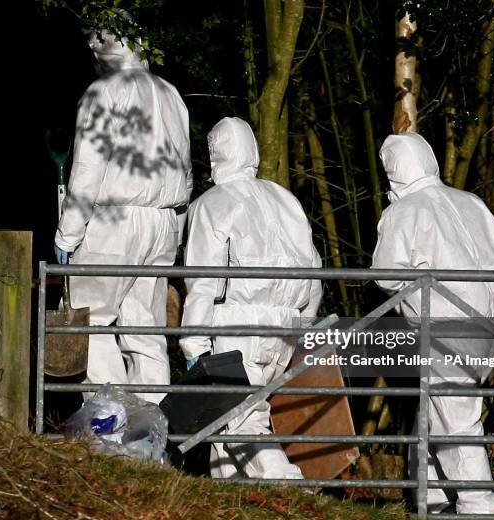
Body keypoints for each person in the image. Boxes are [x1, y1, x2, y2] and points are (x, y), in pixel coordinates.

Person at [372, 132, 494, 514]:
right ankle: (431, 495)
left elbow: (386, 276)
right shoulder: (472, 202)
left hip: (448, 325)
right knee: (437, 406)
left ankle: (478, 502)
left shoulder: (406, 211)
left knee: (456, 416)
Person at [54, 16, 192, 404]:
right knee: (146, 330)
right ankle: (152, 430)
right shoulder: (170, 94)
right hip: (163, 221)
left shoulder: (104, 92)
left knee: (90, 320)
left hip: (114, 220)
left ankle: (111, 424)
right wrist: (175, 234)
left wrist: (68, 232)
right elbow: (186, 168)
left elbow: (87, 170)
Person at [179, 117, 322, 479]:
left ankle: (285, 483)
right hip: (285, 326)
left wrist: (193, 345)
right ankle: (233, 502)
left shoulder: (212, 204)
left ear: (215, 155)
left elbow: (202, 282)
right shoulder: (285, 199)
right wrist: (302, 324)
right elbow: (315, 271)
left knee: (242, 419)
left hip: (236, 325)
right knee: (229, 420)